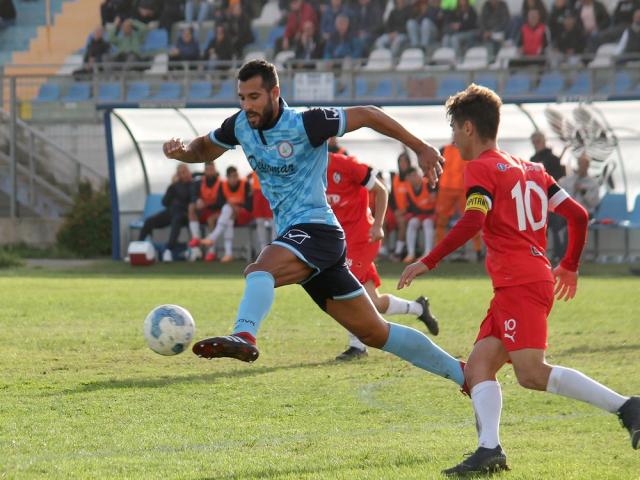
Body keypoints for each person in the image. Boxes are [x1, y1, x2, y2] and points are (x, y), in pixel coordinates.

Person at [162, 59, 469, 399]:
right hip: (302, 240)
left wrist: (420, 147)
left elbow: (367, 113)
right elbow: (204, 148)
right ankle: (463, 373)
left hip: (317, 229)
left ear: (275, 93)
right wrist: (183, 152)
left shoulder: (307, 122)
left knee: (260, 269)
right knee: (375, 334)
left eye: (254, 97)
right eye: (242, 98)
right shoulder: (239, 126)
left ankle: (244, 336)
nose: (247, 106)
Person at [398, 84, 639, 475]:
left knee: (531, 373)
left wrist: (429, 261)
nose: (453, 139)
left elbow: (474, 220)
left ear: (470, 128)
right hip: (526, 280)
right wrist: (570, 265)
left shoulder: (481, 168)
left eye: (455, 130)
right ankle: (489, 450)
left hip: (520, 284)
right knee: (478, 368)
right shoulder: (533, 169)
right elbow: (578, 215)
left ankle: (627, 406)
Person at [326, 150, 440, 361]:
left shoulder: (347, 165)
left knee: (345, 288)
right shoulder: (308, 170)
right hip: (340, 240)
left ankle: (357, 346)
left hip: (363, 236)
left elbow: (381, 190)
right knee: (374, 302)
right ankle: (418, 308)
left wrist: (378, 225)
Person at [435, 143, 483, 260]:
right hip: (446, 188)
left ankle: (478, 250)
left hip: (464, 188)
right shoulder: (444, 149)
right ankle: (438, 253)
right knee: (441, 221)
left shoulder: (469, 148)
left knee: (472, 219)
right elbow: (436, 167)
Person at [195, 165, 253, 262]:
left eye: (235, 176)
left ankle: (212, 237)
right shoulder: (223, 185)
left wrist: (237, 207)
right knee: (228, 215)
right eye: (231, 176)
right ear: (227, 177)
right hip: (230, 214)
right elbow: (220, 202)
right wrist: (231, 206)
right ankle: (228, 254)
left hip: (244, 213)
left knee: (227, 209)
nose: (234, 179)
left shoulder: (245, 184)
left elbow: (249, 205)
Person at [139, 163, 193, 262]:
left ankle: (169, 250)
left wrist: (176, 185)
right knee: (149, 221)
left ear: (188, 172)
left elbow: (185, 196)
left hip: (184, 214)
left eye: (184, 172)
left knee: (176, 220)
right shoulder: (174, 186)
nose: (182, 175)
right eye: (180, 173)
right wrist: (172, 186)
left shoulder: (192, 185)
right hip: (170, 212)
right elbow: (164, 202)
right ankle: (139, 249)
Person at [530, 131, 566, 261]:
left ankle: (559, 256)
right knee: (540, 231)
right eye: (534, 141)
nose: (536, 144)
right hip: (539, 201)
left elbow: (559, 178)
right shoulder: (533, 160)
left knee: (556, 229)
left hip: (553, 199)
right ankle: (539, 256)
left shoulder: (553, 159)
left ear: (544, 140)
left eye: (538, 140)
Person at [187, 161, 222, 256]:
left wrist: (206, 204)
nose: (210, 171)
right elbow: (192, 195)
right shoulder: (199, 182)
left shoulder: (221, 183)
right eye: (208, 169)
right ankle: (196, 239)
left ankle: (211, 251)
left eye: (212, 169)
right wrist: (197, 200)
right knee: (191, 207)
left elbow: (221, 202)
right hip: (203, 211)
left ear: (215, 170)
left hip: (215, 211)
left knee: (211, 220)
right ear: (205, 171)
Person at [402, 167, 437, 263]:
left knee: (427, 223)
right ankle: (411, 254)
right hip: (420, 214)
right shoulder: (408, 189)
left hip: (433, 213)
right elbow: (410, 207)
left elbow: (436, 201)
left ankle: (428, 253)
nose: (414, 178)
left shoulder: (429, 184)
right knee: (412, 222)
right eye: (411, 176)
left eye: (416, 174)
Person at [389, 152, 412, 260]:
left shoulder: (412, 177)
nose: (402, 164)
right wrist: (395, 210)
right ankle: (383, 249)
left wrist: (403, 210)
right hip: (397, 211)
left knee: (402, 222)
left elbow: (414, 199)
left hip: (409, 212)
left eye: (405, 162)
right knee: (383, 222)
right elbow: (392, 197)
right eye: (400, 161)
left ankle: (398, 252)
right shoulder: (395, 177)